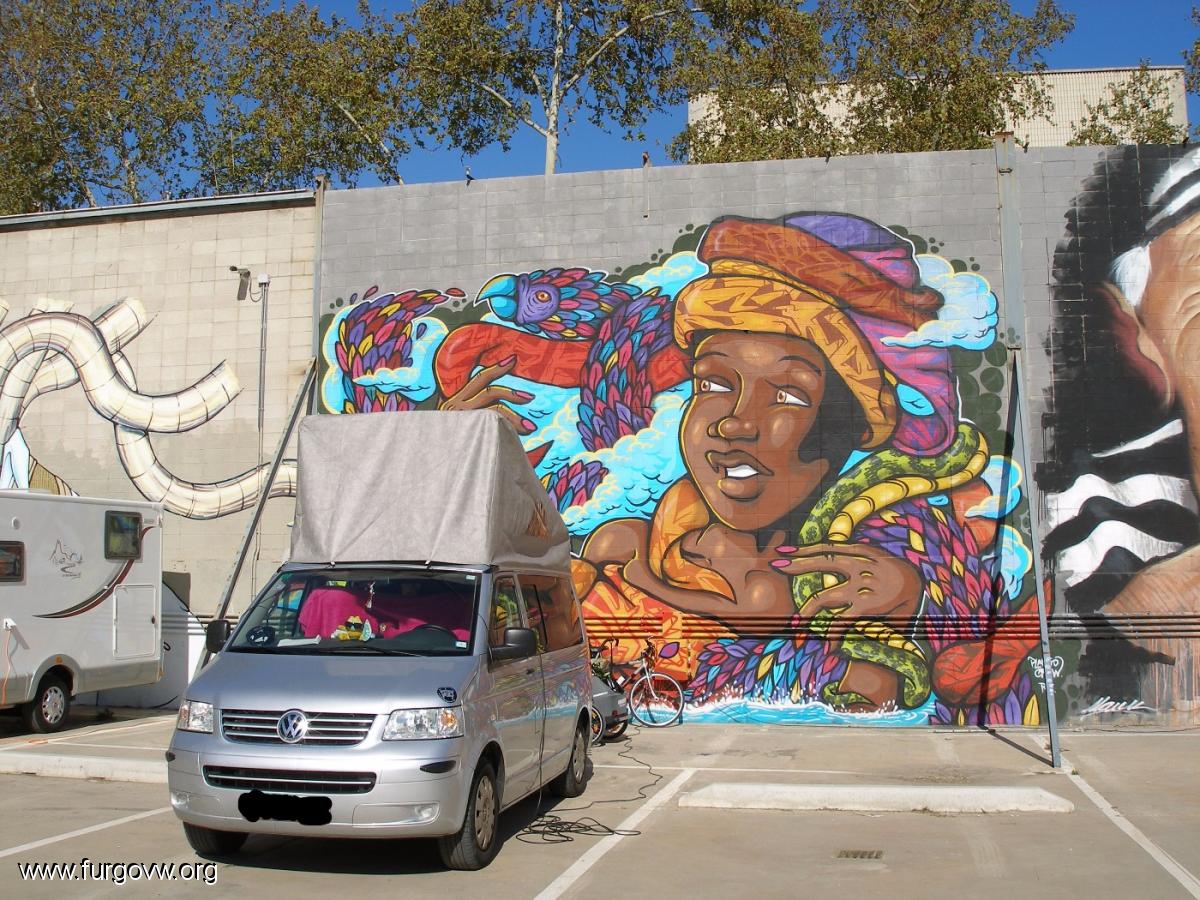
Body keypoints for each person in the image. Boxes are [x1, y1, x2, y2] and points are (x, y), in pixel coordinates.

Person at [441, 213, 1032, 721]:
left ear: (851, 430)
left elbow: (946, 679)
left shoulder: (875, 558)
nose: (734, 423)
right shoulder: (635, 539)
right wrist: (453, 454)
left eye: (789, 395)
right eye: (714, 384)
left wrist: (911, 601)